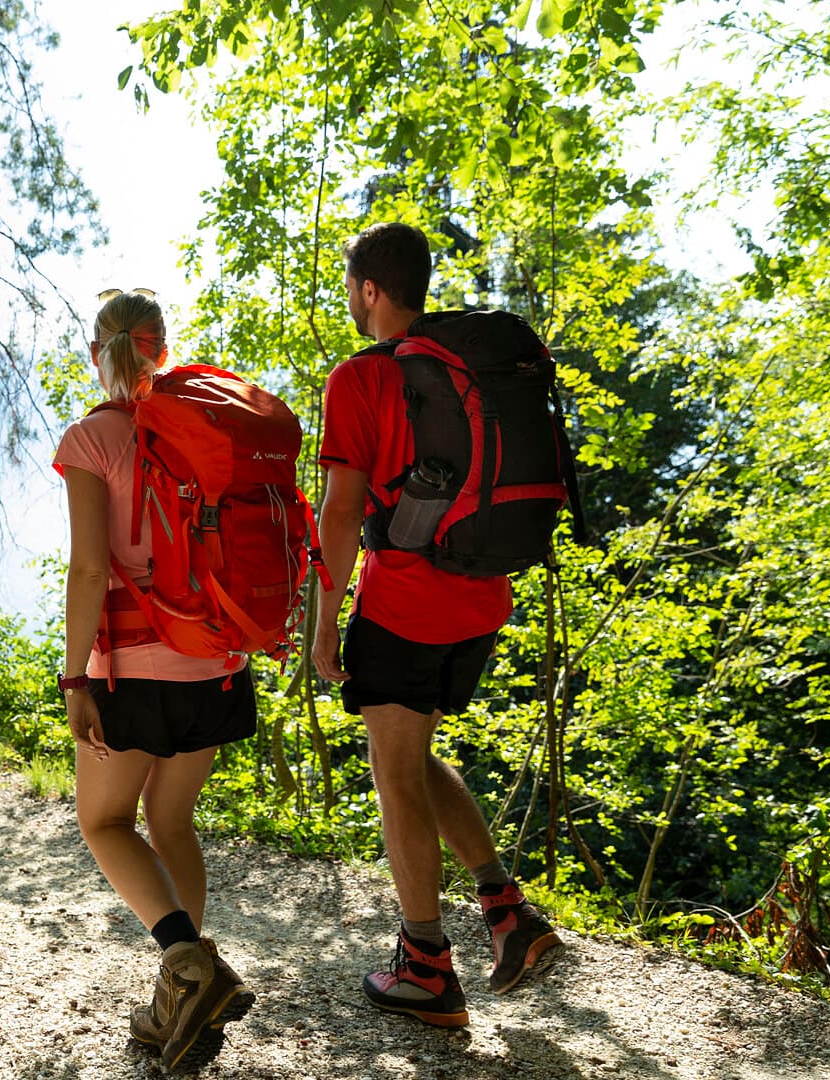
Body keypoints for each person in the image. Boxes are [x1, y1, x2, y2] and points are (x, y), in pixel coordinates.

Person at [311, 222, 562, 1028]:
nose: (352, 301)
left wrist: (323, 627)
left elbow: (343, 512)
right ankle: (506, 913)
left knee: (395, 776)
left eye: (353, 288)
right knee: (414, 756)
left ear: (370, 290)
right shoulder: (468, 364)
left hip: (405, 608)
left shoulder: (362, 379)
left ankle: (425, 966)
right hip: (483, 599)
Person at [53, 290, 257, 1072]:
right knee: (172, 825)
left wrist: (76, 678)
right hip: (216, 664)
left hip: (135, 670)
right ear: (162, 349)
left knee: (104, 825)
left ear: (99, 353)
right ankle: (183, 1000)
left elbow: (89, 568)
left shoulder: (90, 440)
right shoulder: (207, 428)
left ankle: (186, 965)